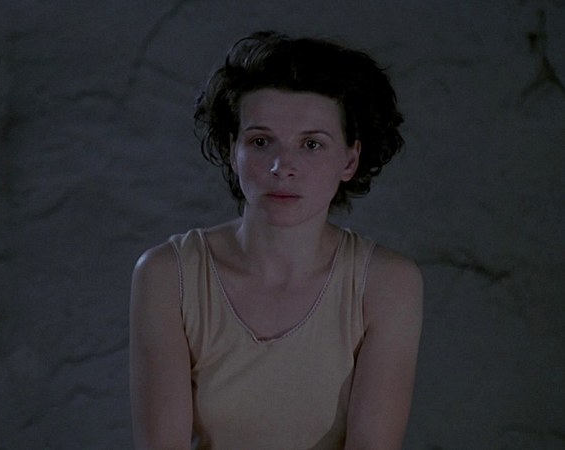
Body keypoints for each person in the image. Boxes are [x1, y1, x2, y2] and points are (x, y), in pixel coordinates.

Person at [129, 31, 423, 450]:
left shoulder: (388, 283)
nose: (282, 167)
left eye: (311, 144)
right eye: (261, 142)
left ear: (350, 159)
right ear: (232, 150)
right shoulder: (167, 275)